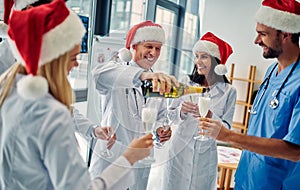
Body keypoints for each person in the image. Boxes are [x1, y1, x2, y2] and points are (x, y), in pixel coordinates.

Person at [0, 1, 154, 189]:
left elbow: (64, 111)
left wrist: (93, 130)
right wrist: (129, 158)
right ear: (53, 58)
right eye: (73, 58)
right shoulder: (51, 113)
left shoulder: (11, 90)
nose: (76, 65)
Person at [199, 0, 300, 189]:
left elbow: (295, 151)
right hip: (247, 179)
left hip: (276, 183)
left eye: (263, 34)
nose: (256, 40)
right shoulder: (271, 71)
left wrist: (228, 136)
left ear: (285, 33)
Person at [0, 0, 115, 148]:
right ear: (31, 11)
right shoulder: (5, 58)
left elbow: (59, 104)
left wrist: (92, 130)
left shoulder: (49, 59)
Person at [90, 20, 178, 190]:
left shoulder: (158, 81)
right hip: (113, 156)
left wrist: (161, 132)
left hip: (141, 161)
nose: (153, 52)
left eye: (158, 48)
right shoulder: (116, 72)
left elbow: (160, 117)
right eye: (148, 46)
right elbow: (97, 75)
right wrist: (144, 76)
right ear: (134, 47)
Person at [161, 32, 236, 190]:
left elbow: (227, 128)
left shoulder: (229, 91)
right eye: (196, 56)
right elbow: (170, 115)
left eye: (204, 57)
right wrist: (181, 111)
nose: (198, 62)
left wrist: (211, 116)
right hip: (179, 151)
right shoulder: (184, 82)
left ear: (216, 61)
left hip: (205, 155)